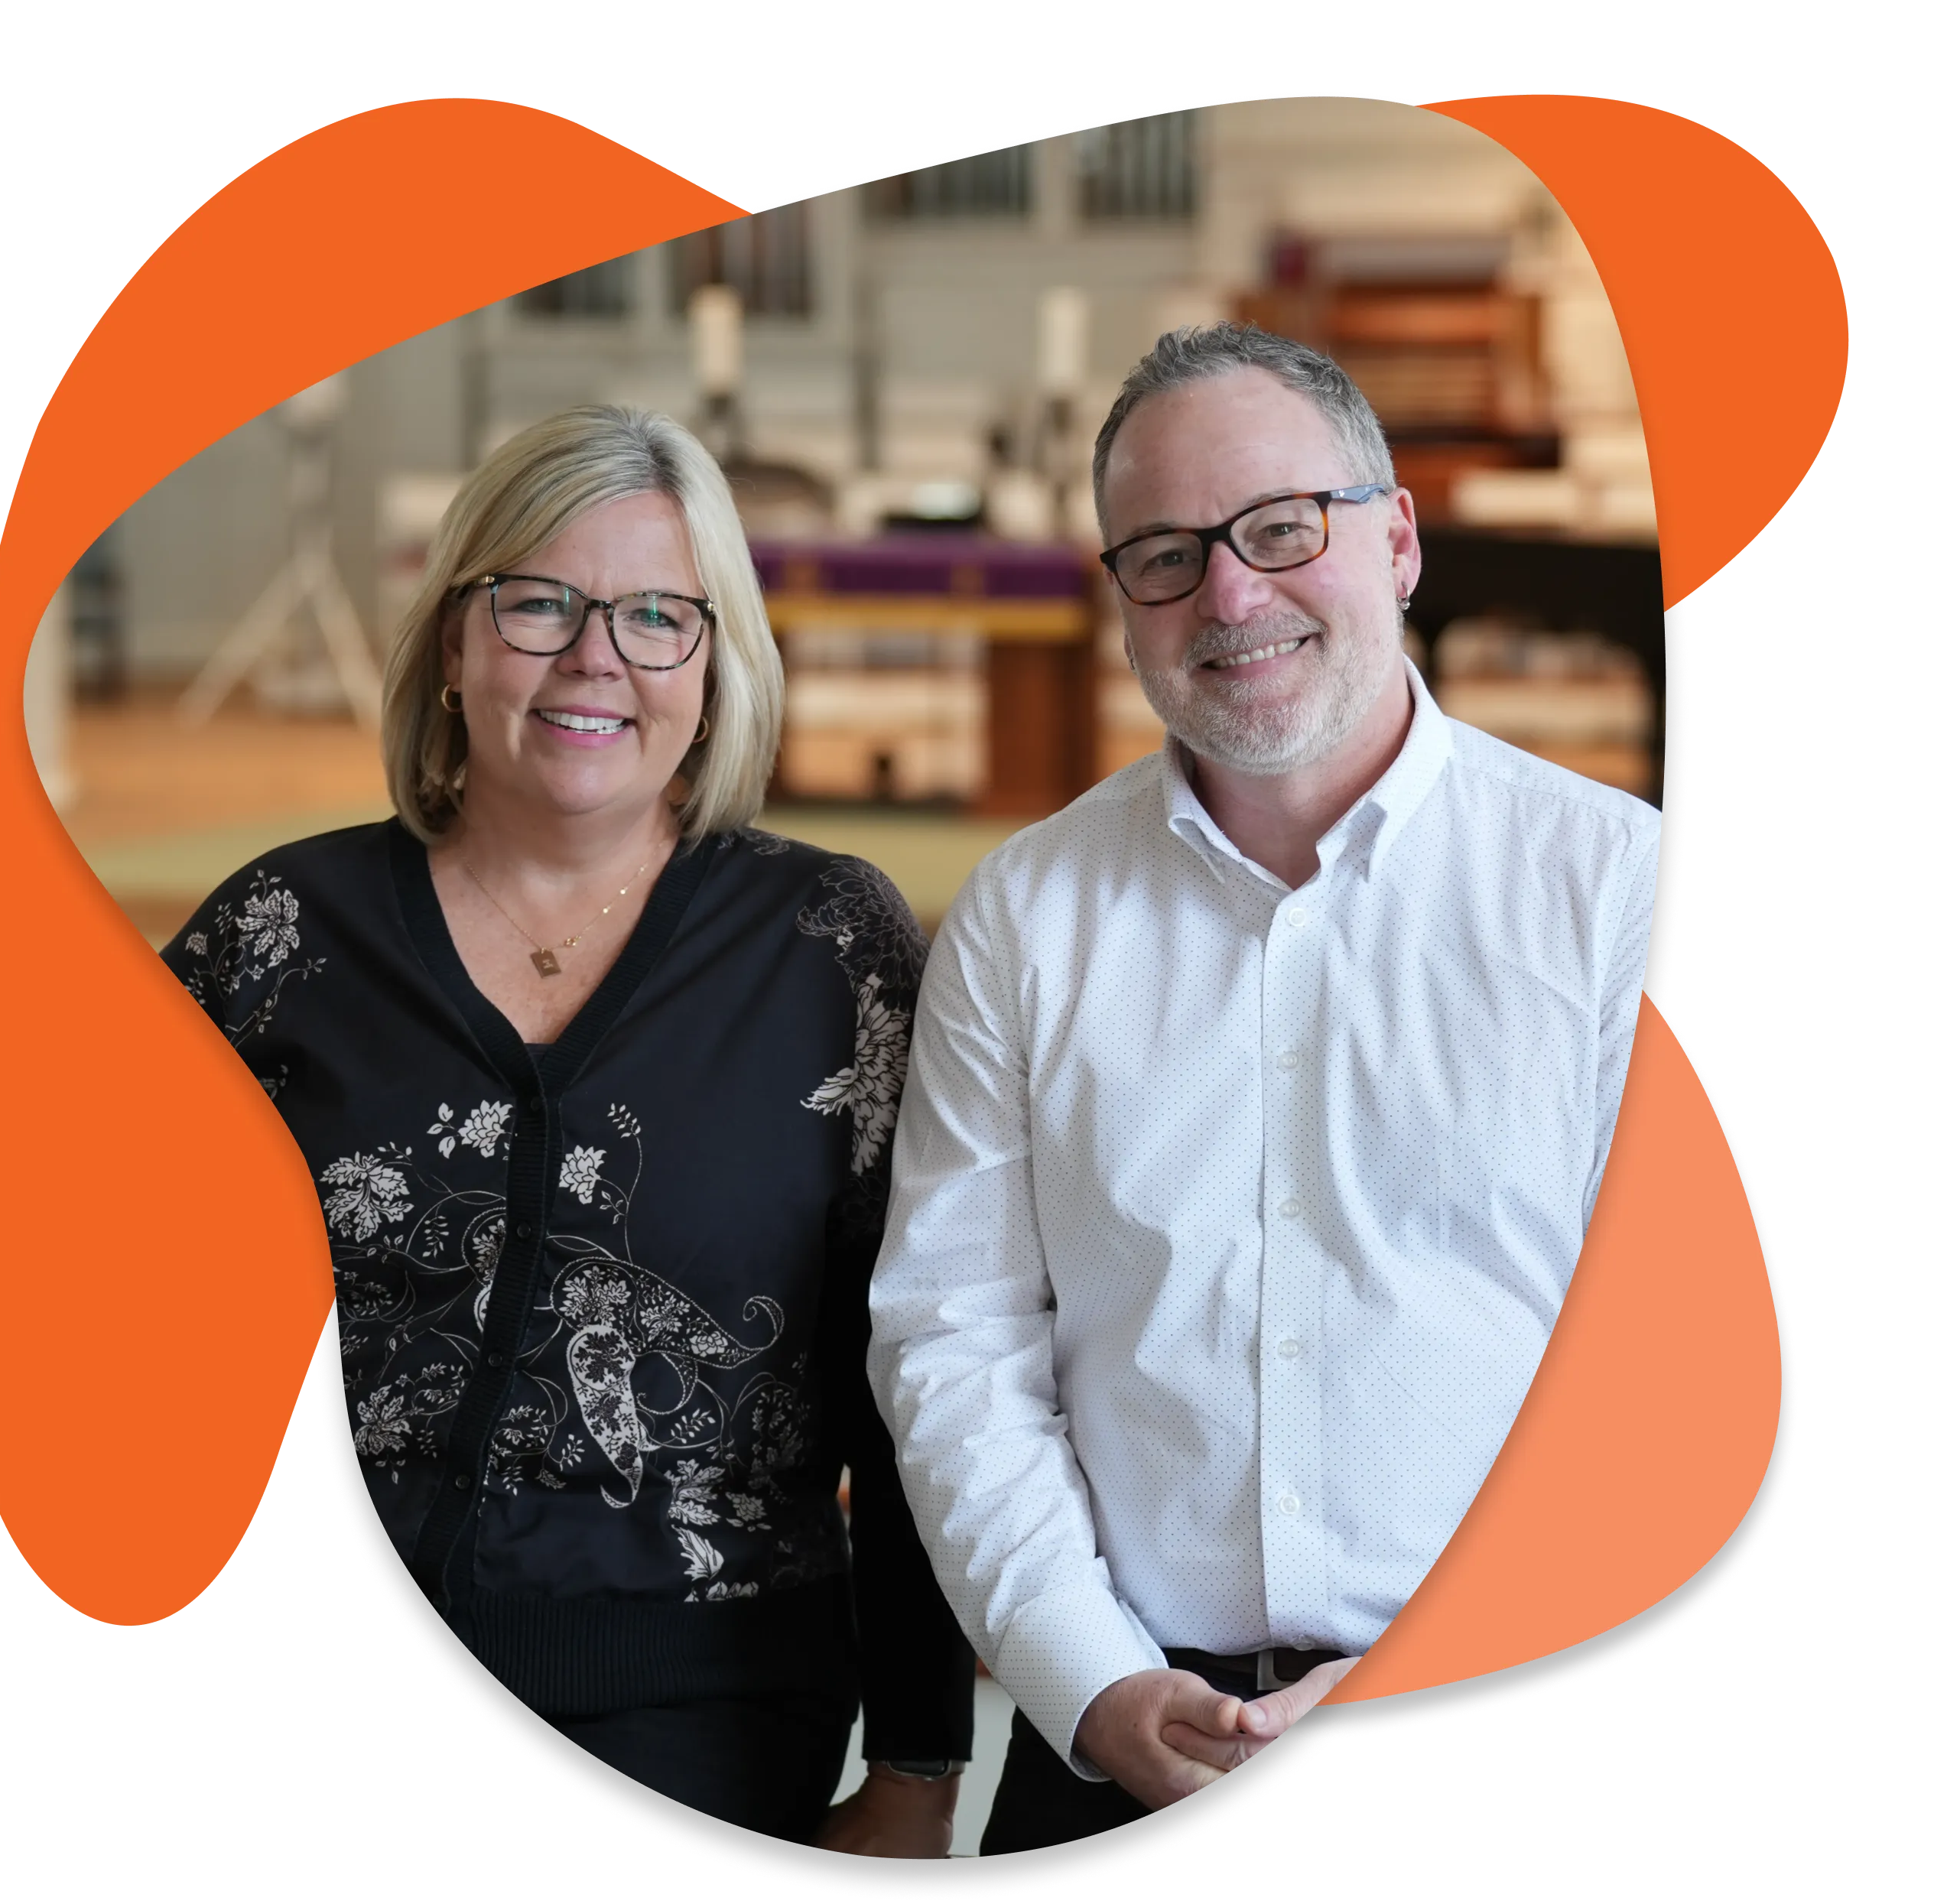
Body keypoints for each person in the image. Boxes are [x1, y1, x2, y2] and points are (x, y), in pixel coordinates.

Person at [866, 325, 1660, 1855]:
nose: (1230, 596)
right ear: (1121, 604)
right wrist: (1089, 1683)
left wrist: (1475, 1653)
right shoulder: (1026, 917)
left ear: (1399, 538)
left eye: (1282, 528)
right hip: (1120, 1748)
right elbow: (956, 1342)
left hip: (1519, 1680)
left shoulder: (1611, 891)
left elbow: (1685, 1360)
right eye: (1164, 556)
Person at [162, 406, 975, 1852]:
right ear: (456, 641)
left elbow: (911, 1367)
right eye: (539, 603)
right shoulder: (282, 933)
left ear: (715, 667)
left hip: (695, 1689)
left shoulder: (824, 946)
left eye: (659, 615)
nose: (597, 656)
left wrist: (917, 1766)